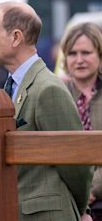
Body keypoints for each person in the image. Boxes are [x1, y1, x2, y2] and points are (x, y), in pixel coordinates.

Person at [0, 2, 93, 220]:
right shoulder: (13, 85)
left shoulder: (48, 89)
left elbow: (76, 164)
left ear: (15, 37)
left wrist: (81, 211)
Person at [60, 22, 102, 220]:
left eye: (86, 53)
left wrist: (92, 191)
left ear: (100, 55)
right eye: (72, 53)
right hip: (67, 200)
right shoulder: (57, 95)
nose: (79, 60)